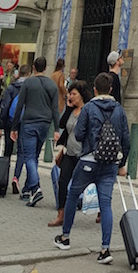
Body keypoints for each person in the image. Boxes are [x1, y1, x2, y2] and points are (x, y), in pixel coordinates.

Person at [54, 71, 130, 264]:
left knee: (72, 195)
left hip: (89, 160)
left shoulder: (89, 108)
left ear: (95, 89)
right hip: (110, 164)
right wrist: (121, 164)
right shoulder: (119, 110)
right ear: (111, 89)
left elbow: (79, 135)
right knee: (105, 205)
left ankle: (65, 237)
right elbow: (126, 140)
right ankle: (105, 249)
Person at [10, 56, 60, 206]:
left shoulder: (28, 83)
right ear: (45, 68)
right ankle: (27, 189)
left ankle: (36, 187)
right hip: (45, 124)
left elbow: (20, 105)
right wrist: (57, 129)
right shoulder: (52, 85)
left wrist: (14, 126)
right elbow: (55, 109)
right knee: (35, 156)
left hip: (29, 123)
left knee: (29, 157)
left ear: (33, 67)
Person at [48, 80, 89, 228]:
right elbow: (61, 124)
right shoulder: (71, 110)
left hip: (83, 155)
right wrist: (67, 108)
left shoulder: (88, 110)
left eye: (73, 94)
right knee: (63, 182)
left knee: (88, 184)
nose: (70, 96)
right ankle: (61, 214)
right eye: (69, 93)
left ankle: (100, 210)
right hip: (69, 153)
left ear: (81, 95)